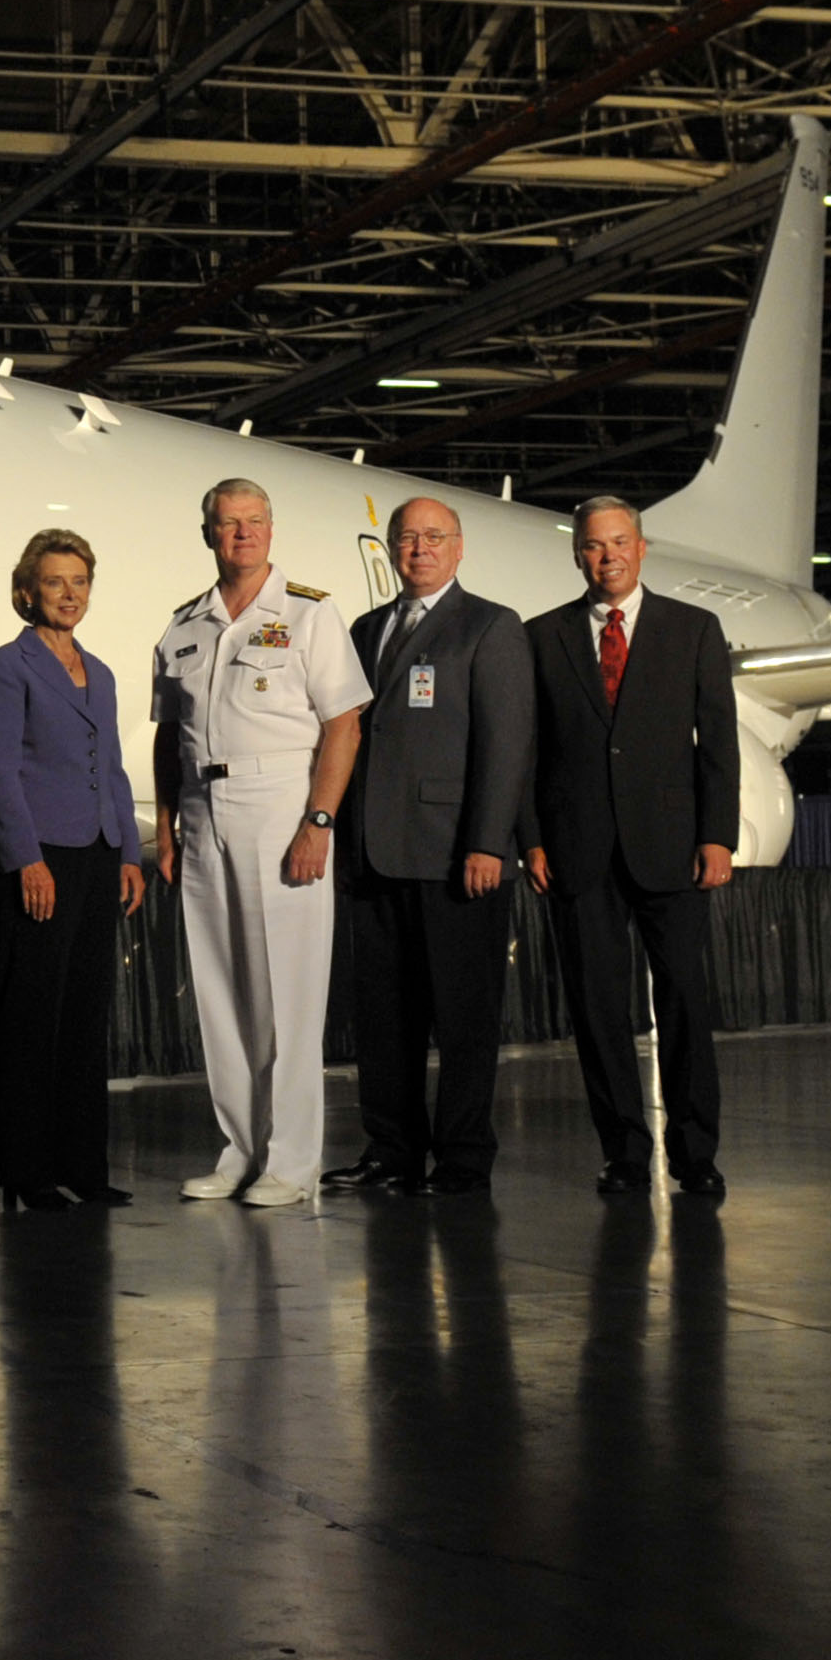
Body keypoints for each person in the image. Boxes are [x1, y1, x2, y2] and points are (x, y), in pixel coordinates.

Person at [152, 479, 368, 1209]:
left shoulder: (308, 613)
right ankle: (240, 1149)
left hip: (282, 805)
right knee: (220, 993)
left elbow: (343, 725)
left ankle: (294, 1159)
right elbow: (166, 734)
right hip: (201, 807)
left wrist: (320, 820)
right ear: (207, 532)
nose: (240, 534)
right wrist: (166, 824)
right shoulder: (185, 623)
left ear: (271, 530)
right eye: (226, 523)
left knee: (289, 994)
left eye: (253, 522)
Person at [522, 494, 738, 1200]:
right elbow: (527, 752)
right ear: (576, 553)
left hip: (671, 847)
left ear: (642, 548)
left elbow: (718, 747)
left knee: (683, 1002)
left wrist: (716, 835)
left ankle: (695, 1153)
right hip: (577, 851)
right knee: (597, 1008)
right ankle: (622, 1152)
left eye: (618, 542)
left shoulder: (694, 629)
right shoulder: (542, 635)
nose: (606, 555)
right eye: (592, 545)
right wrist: (531, 839)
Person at [321, 498, 532, 1200]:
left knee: (464, 1018)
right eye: (406, 537)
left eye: (433, 537)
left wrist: (487, 842)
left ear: (459, 547)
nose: (419, 549)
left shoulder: (490, 626)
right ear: (389, 549)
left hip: (454, 858)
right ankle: (392, 1153)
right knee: (384, 1020)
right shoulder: (366, 628)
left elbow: (506, 746)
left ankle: (464, 1159)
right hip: (377, 855)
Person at [0, 529, 147, 1212]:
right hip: (42, 857)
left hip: (99, 855)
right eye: (54, 582)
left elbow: (117, 770)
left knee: (84, 1017)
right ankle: (28, 1172)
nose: (69, 594)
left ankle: (85, 1166)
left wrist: (130, 851)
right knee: (31, 1018)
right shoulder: (3, 668)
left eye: (79, 582)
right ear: (26, 592)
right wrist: (26, 858)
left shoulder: (97, 671)